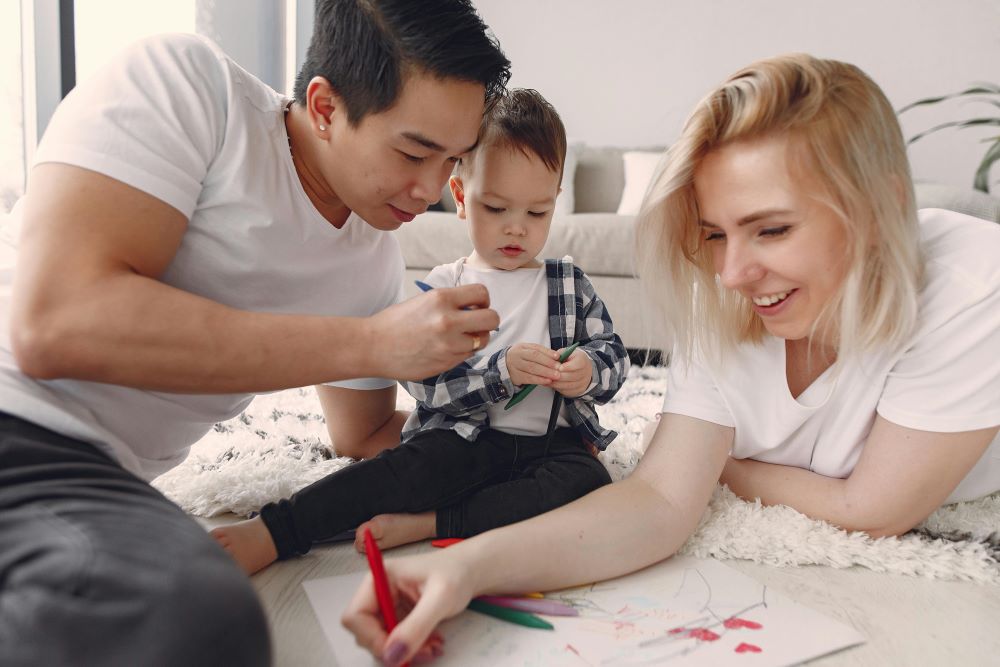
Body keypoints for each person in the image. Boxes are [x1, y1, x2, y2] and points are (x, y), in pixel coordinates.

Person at [340, 53, 1000, 667]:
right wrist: (465, 568)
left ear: (878, 209)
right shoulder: (717, 292)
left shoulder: (971, 283)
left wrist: (727, 464)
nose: (734, 271)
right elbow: (657, 498)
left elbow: (873, 508)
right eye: (714, 233)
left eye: (772, 228)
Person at [0, 1, 510, 664]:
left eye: (453, 160)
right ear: (325, 107)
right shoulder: (189, 87)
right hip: (16, 414)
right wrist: (370, 342)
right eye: (414, 151)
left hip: (90, 479)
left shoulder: (372, 261)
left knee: (197, 613)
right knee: (190, 614)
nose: (432, 188)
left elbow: (363, 435)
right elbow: (53, 323)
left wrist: (506, 429)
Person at [211, 88, 631, 578]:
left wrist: (589, 372)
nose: (517, 229)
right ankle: (276, 531)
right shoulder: (447, 286)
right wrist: (501, 373)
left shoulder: (567, 283)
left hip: (553, 447)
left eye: (536, 213)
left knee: (589, 483)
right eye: (496, 208)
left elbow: (614, 356)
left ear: (555, 204)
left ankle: (434, 523)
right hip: (465, 441)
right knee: (398, 473)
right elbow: (427, 386)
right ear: (460, 197)